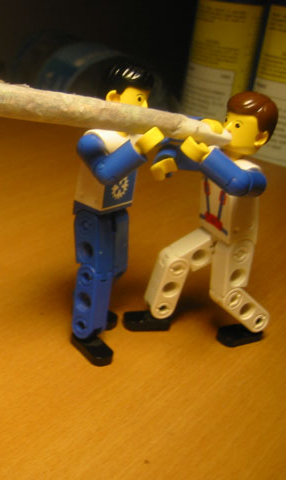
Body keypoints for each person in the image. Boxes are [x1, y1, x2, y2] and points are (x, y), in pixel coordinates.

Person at [124, 91, 278, 347]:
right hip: (210, 230)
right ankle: (158, 312)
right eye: (227, 120)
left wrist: (206, 156)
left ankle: (256, 322)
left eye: (237, 125)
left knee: (225, 293)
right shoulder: (216, 158)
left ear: (259, 137)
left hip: (234, 241)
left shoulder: (251, 173)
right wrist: (168, 158)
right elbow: (181, 153)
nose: (227, 128)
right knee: (172, 259)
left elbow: (237, 183)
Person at [71, 63, 163, 365]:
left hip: (118, 209)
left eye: (146, 99)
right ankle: (85, 330)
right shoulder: (94, 139)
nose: (145, 107)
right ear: (113, 98)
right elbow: (105, 173)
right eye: (139, 99)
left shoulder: (132, 135)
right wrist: (141, 148)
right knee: (96, 270)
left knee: (117, 267)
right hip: (93, 213)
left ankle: (97, 308)